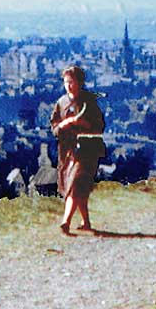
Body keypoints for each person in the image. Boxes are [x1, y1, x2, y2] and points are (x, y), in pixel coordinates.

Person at [50, 65, 105, 235]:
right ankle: (86, 221)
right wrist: (64, 125)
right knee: (76, 186)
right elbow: (54, 128)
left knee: (75, 183)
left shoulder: (89, 103)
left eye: (72, 82)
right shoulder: (61, 103)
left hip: (87, 151)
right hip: (68, 151)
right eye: (66, 82)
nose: (69, 85)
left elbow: (100, 126)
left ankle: (65, 222)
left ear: (80, 83)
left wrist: (84, 124)